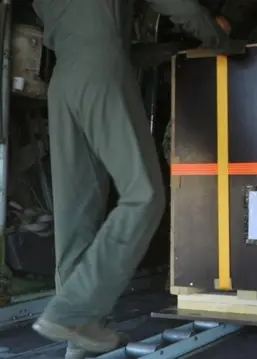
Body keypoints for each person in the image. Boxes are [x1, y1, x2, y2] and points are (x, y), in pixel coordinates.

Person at [30, 0, 242, 355]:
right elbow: (182, 7)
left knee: (76, 214)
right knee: (144, 194)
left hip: (63, 83)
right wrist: (225, 43)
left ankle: (78, 339)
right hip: (100, 74)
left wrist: (168, 50)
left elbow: (97, 37)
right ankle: (72, 313)